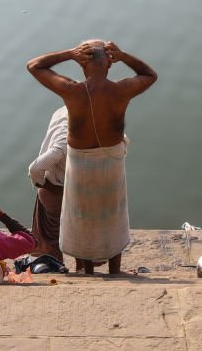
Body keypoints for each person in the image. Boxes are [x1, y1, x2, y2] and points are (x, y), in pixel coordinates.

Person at [26, 40, 157, 274]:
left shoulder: (72, 90)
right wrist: (124, 55)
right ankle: (115, 270)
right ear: (109, 64)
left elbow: (34, 66)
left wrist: (69, 53)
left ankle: (84, 271)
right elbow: (149, 75)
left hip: (80, 162)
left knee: (80, 217)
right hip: (112, 160)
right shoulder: (121, 90)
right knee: (113, 213)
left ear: (81, 64)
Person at [28, 106, 69, 261]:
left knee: (51, 240)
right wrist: (51, 187)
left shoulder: (61, 111)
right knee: (61, 238)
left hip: (52, 186)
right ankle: (80, 270)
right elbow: (35, 169)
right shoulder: (65, 142)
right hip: (57, 191)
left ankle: (56, 268)